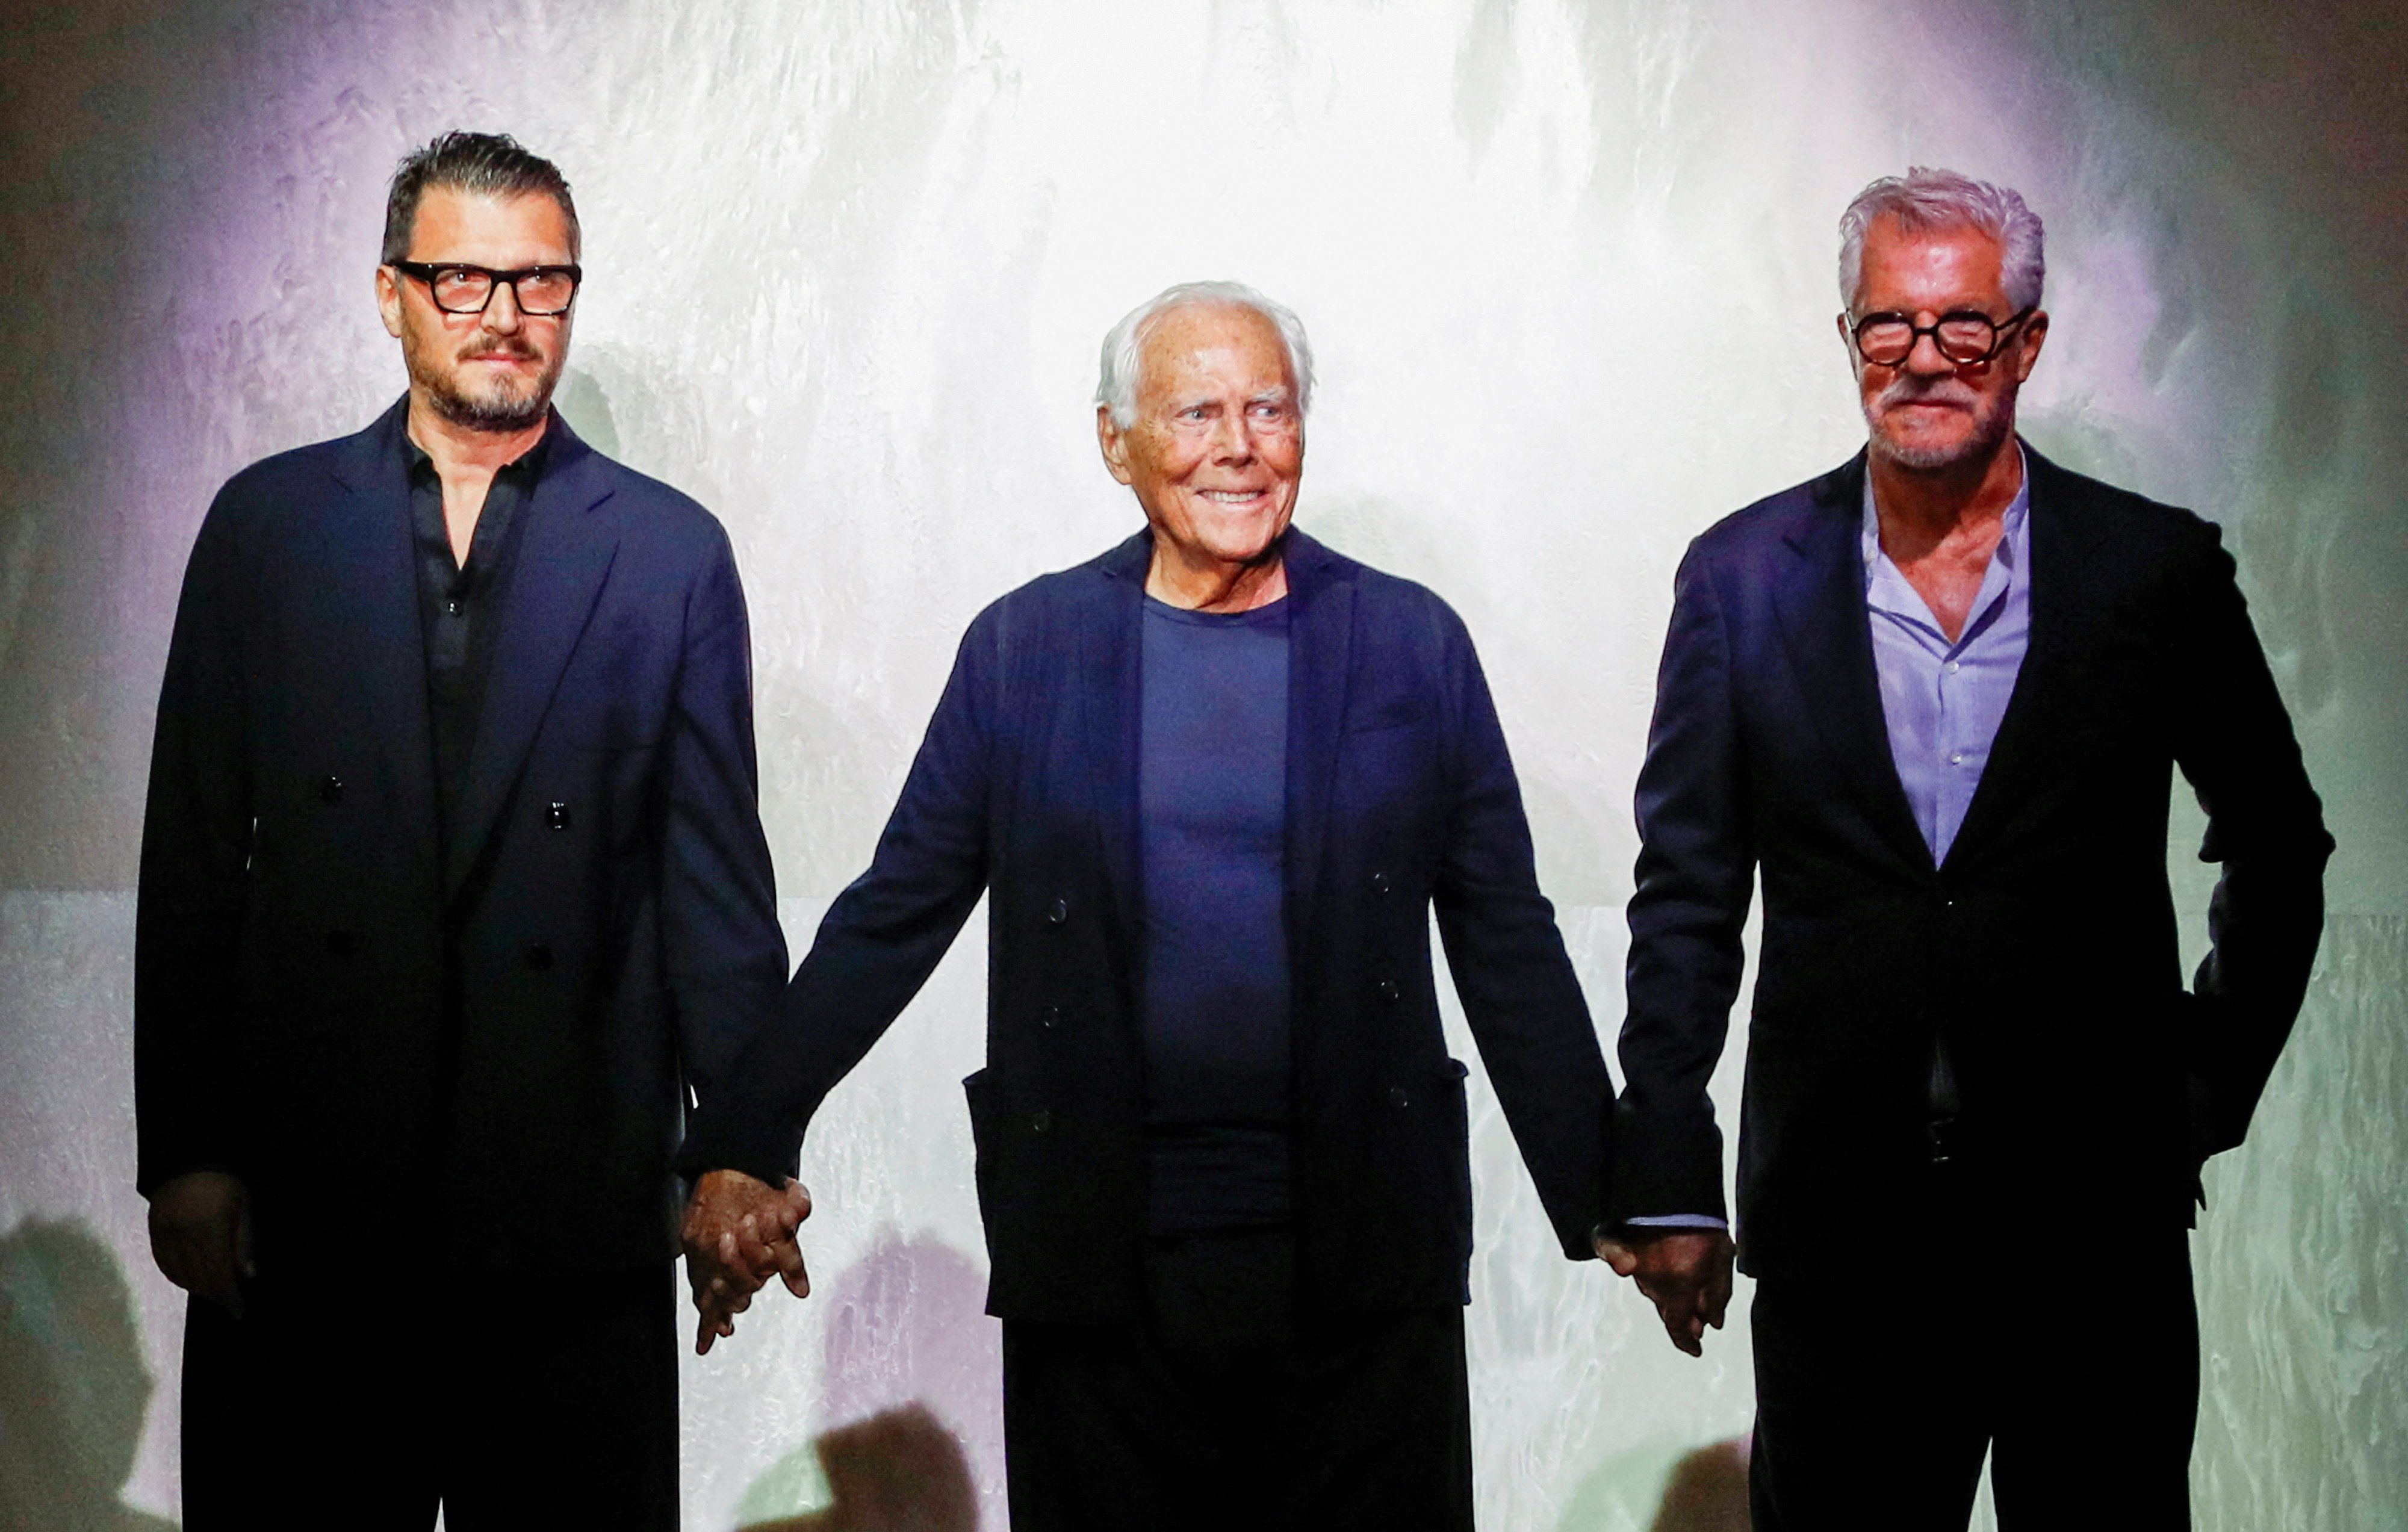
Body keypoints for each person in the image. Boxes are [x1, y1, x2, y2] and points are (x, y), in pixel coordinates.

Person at [677, 282, 1617, 1531]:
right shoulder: (1025, 649)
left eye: (1267, 409)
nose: (1237, 445)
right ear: (1114, 440)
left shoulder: (1407, 644)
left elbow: (1503, 931)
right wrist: (744, 1135)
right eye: (1194, 412)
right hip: (1098, 1263)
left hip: (1359, 1262)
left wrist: (1625, 1192)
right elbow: (891, 914)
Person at [1606, 167, 2333, 1527]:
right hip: (1840, 1228)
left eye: (1961, 329)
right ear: (1846, 340)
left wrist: (2201, 1082)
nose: (1922, 361)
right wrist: (1661, 1165)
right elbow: (1685, 897)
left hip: (2091, 1225)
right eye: (1888, 325)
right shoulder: (1739, 577)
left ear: (2026, 344)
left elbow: (2279, 846)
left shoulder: (2150, 573)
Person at [135, 130, 792, 1529]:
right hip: (309, 1207)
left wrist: (737, 1141)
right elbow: (194, 858)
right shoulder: (265, 527)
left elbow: (713, 886)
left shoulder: (668, 551)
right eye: (464, 280)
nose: (505, 314)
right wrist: (185, 1148)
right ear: (392, 295)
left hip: (567, 1211)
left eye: (541, 282)